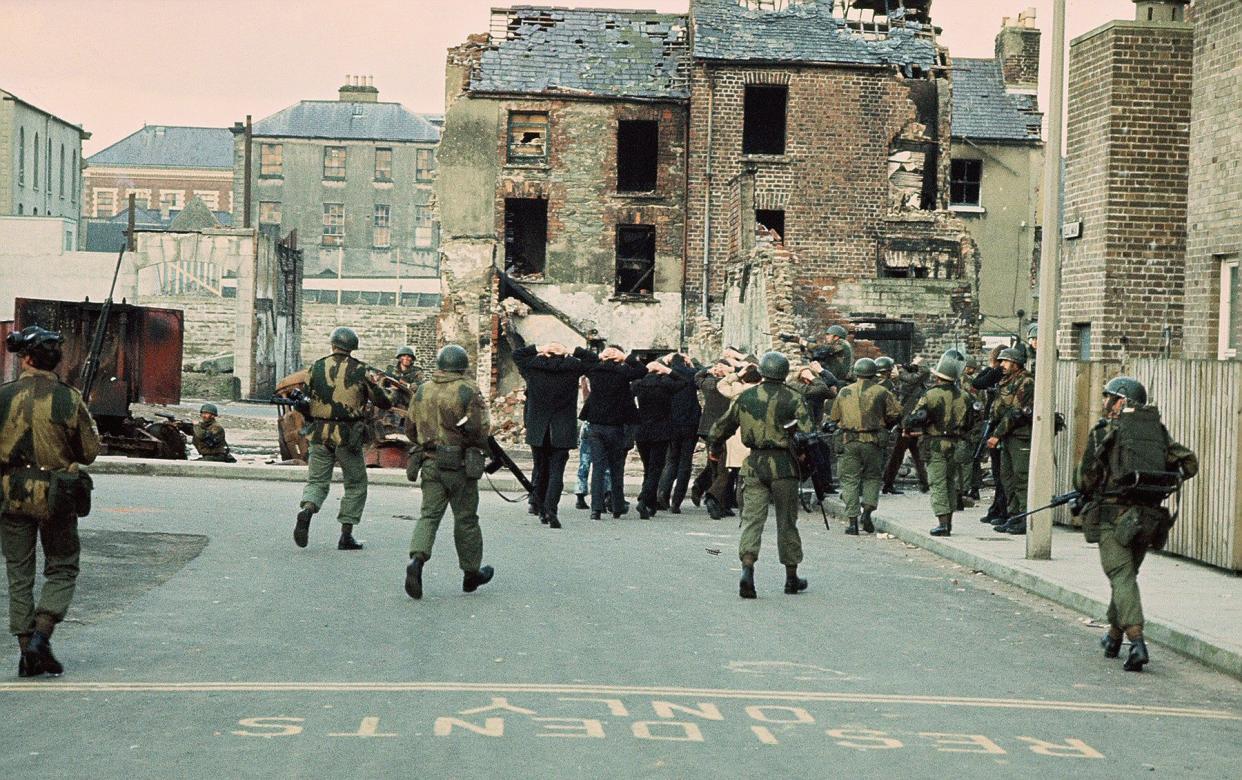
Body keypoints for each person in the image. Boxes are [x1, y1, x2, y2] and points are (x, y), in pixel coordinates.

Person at [1074, 377, 1197, 672]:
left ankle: (1137, 642)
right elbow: (1189, 463)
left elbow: (1083, 479)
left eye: (1109, 397)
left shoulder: (1103, 432)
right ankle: (1114, 638)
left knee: (1121, 577)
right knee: (1126, 576)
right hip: (1148, 520)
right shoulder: (1156, 433)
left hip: (1114, 518)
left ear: (1120, 402)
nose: (1105, 402)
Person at [0, 326, 100, 677]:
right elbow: (89, 452)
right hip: (57, 494)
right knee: (62, 565)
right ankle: (42, 636)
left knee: (19, 573)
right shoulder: (69, 397)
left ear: (26, 359)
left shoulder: (4, 395)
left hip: (11, 494)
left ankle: (27, 651)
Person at [708, 351, 813, 599]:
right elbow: (809, 433)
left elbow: (720, 427)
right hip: (784, 465)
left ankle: (747, 568)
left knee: (752, 520)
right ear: (784, 372)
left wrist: (714, 446)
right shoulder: (794, 398)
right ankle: (791, 577)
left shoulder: (746, 397)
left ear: (763, 371)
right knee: (787, 521)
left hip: (754, 464)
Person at [404, 345, 495, 599]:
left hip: (430, 462)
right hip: (460, 465)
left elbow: (410, 429)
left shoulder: (423, 389)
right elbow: (480, 429)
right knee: (466, 519)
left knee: (429, 516)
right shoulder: (468, 390)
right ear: (463, 365)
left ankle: (417, 560)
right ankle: (471, 573)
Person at [293, 327, 393, 551]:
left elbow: (306, 397)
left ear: (333, 344)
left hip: (319, 432)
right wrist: (389, 394)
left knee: (317, 481)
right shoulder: (361, 370)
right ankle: (346, 535)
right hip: (348, 435)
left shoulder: (316, 367)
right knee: (355, 484)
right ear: (352, 347)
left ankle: (308, 509)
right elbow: (382, 401)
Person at [511, 339, 587, 529]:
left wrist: (539, 348)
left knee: (540, 470)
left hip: (538, 429)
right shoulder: (573, 367)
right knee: (556, 473)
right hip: (562, 429)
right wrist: (571, 350)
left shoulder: (533, 366)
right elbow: (592, 360)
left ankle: (538, 507)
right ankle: (551, 509)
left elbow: (517, 354)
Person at [830, 357, 902, 535]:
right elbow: (896, 413)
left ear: (856, 373)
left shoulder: (844, 391)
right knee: (872, 477)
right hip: (874, 440)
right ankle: (868, 511)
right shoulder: (882, 391)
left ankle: (852, 521)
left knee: (850, 480)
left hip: (849, 440)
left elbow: (834, 417)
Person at [578, 345, 646, 520]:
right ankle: (616, 506)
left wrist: (599, 356)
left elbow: (579, 352)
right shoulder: (623, 372)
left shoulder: (594, 369)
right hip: (616, 427)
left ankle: (596, 509)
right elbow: (642, 370)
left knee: (598, 468)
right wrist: (625, 357)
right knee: (617, 468)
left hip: (596, 426)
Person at [906, 355, 969, 536]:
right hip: (956, 443)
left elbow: (915, 418)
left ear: (938, 377)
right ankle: (949, 522)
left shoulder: (930, 395)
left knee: (938, 483)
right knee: (950, 482)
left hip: (935, 443)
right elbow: (972, 421)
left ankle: (942, 523)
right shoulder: (965, 396)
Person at [988, 347, 1035, 534]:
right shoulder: (1006, 381)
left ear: (1016, 363)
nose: (1002, 365)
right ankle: (1012, 514)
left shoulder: (1026, 381)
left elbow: (1016, 412)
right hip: (1008, 435)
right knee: (1006, 477)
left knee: (1021, 476)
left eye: (1006, 362)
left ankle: (1024, 516)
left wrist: (997, 434)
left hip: (1020, 435)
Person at [632, 359, 686, 518]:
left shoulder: (638, 384)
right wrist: (668, 371)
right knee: (656, 469)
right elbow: (683, 381)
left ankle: (649, 503)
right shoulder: (666, 385)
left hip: (642, 431)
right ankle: (643, 500)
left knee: (647, 467)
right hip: (661, 431)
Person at [656, 354, 701, 514]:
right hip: (690, 422)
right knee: (685, 463)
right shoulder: (692, 374)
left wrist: (664, 362)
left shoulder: (666, 377)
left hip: (672, 423)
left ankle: (663, 492)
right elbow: (703, 372)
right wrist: (692, 362)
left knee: (672, 459)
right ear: (684, 362)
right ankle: (676, 502)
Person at [881, 359, 930, 495]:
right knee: (899, 455)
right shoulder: (908, 382)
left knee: (916, 455)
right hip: (906, 423)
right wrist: (919, 363)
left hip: (911, 423)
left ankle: (924, 483)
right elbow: (924, 372)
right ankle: (888, 483)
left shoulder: (909, 381)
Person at [972, 345, 1008, 524]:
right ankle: (996, 507)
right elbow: (977, 382)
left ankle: (1002, 508)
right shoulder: (995, 373)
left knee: (1001, 471)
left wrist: (995, 370)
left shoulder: (1006, 376)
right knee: (996, 470)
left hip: (1001, 425)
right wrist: (992, 369)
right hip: (992, 421)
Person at [690, 359, 732, 509]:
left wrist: (708, 370)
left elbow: (697, 378)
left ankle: (702, 487)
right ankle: (715, 499)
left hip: (709, 429)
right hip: (724, 429)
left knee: (715, 463)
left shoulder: (710, 383)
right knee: (721, 466)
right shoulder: (729, 385)